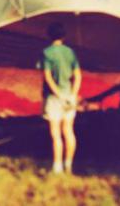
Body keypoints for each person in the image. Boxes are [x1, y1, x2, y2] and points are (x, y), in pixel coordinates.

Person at [41, 22, 81, 174]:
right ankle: (68, 165)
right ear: (64, 36)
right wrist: (72, 95)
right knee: (69, 131)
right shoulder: (70, 52)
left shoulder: (47, 53)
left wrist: (58, 95)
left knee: (56, 133)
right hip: (69, 95)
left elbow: (48, 77)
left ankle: (57, 167)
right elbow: (77, 76)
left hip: (54, 97)